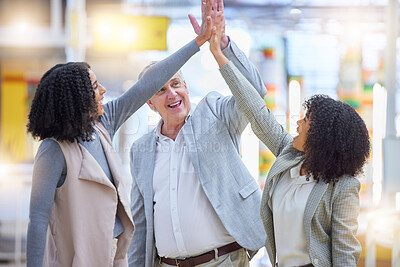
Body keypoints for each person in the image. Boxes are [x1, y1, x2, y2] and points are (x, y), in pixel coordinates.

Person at [25, 9, 213, 266]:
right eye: (94, 87)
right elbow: (38, 219)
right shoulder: (53, 151)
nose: (103, 90)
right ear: (76, 98)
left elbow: (147, 83)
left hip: (115, 257)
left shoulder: (103, 124)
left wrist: (197, 43)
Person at [210, 11, 370, 267]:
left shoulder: (342, 186)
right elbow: (256, 111)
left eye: (305, 121)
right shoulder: (289, 156)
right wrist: (220, 54)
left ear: (322, 137)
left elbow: (345, 253)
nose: (297, 123)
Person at [127, 1, 267, 266]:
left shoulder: (214, 112)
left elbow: (255, 94)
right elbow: (142, 224)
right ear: (149, 102)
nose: (172, 93)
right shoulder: (141, 150)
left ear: (186, 87)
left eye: (176, 83)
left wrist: (222, 44)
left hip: (223, 261)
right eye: (160, 89)